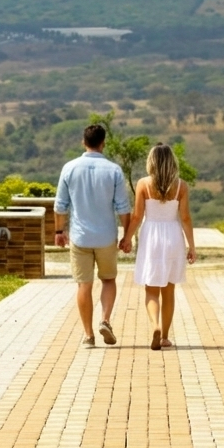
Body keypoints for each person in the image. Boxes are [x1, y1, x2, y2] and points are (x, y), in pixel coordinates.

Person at [54, 123, 132, 348]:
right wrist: (126, 236)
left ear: (83, 142)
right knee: (108, 279)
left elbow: (60, 206)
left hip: (80, 237)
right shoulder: (114, 170)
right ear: (103, 143)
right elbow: (123, 208)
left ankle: (88, 336)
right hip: (106, 236)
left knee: (83, 285)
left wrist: (59, 231)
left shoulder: (69, 168)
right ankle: (105, 320)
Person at [121, 143, 196, 351]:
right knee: (169, 290)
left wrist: (127, 238)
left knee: (151, 289)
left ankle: (154, 325)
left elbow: (136, 216)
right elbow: (186, 218)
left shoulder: (144, 184)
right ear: (172, 162)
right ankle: (164, 336)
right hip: (173, 235)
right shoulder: (181, 186)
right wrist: (192, 246)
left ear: (151, 162)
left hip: (151, 236)